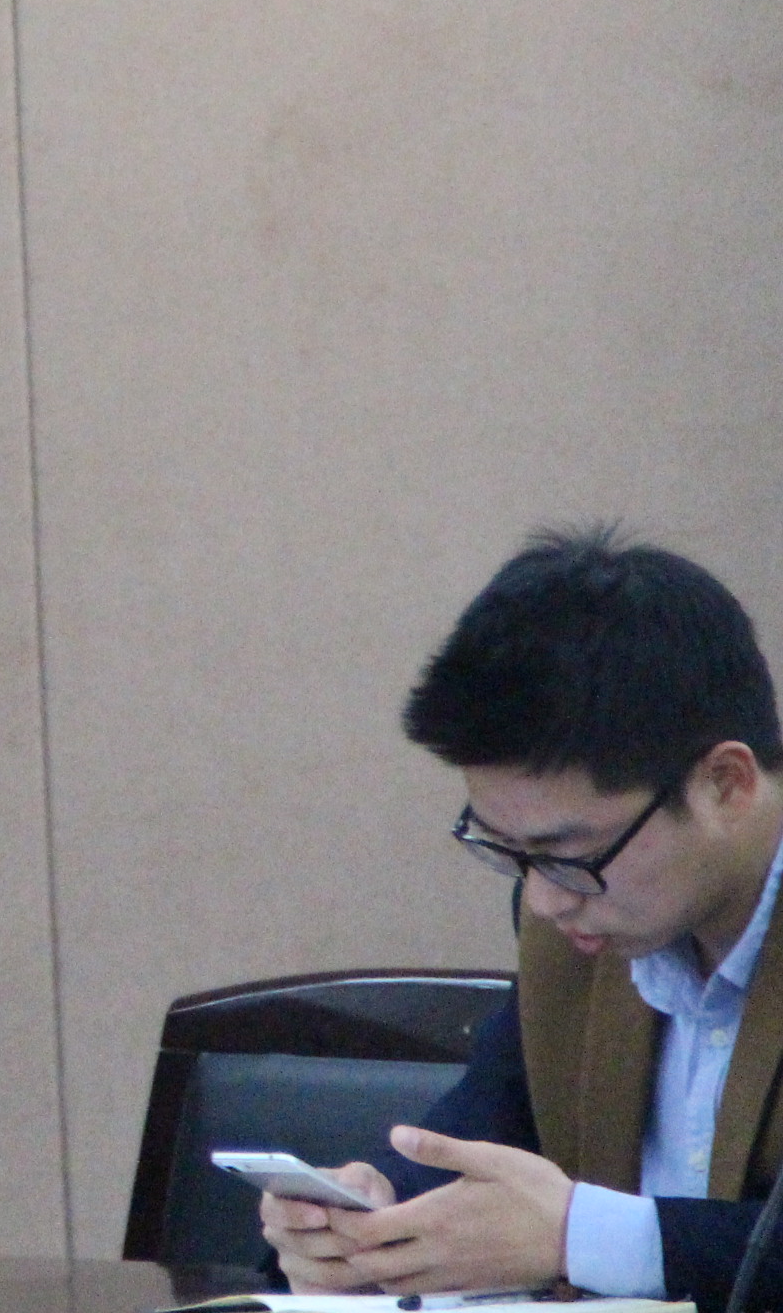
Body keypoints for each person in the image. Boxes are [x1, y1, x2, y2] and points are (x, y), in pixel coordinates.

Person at [260, 529, 783, 1311]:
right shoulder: (580, 927)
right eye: (507, 850)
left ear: (724, 785)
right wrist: (362, 1220)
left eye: (569, 853)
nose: (543, 899)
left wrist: (584, 1236)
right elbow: (477, 1140)